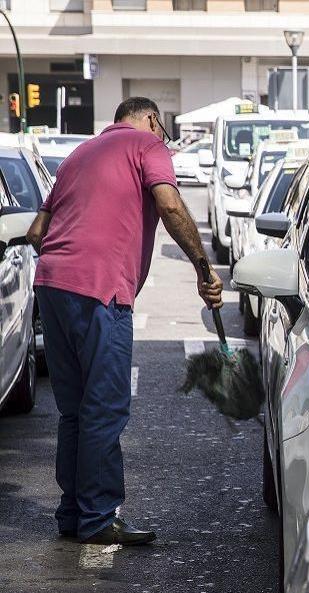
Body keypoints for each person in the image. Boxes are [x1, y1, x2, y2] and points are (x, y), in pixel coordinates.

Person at [23, 97, 223, 546]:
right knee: (106, 406)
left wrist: (70, 263)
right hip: (101, 290)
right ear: (152, 120)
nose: (163, 141)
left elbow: (37, 232)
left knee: (74, 410)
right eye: (163, 132)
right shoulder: (147, 146)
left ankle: (73, 513)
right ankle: (97, 517)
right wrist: (204, 270)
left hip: (53, 284)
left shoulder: (79, 155)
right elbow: (170, 206)